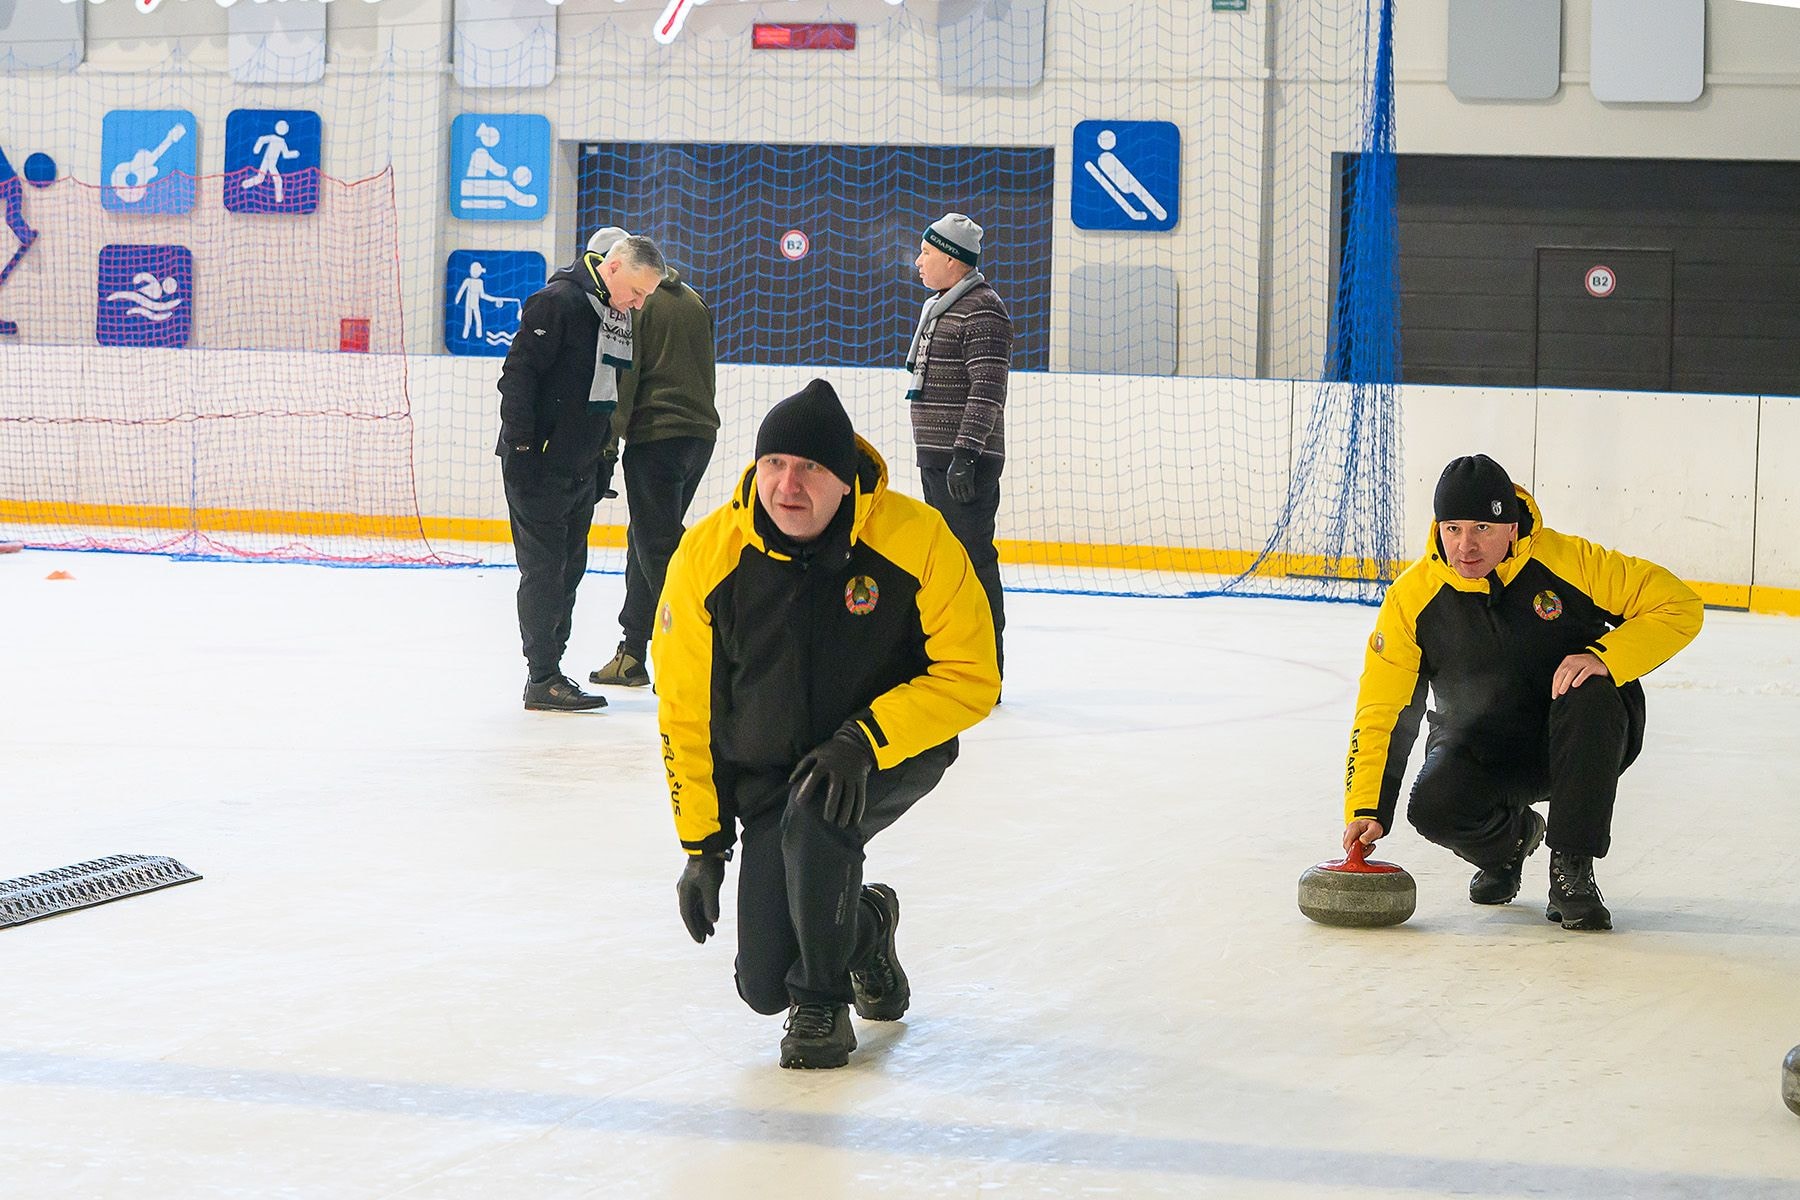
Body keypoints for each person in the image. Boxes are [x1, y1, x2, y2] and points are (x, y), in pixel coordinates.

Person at [654, 378, 1000, 1069]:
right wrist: (703, 844)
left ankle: (822, 1005)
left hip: (884, 751)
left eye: (811, 467)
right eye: (776, 463)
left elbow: (973, 676)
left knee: (820, 813)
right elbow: (684, 707)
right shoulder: (709, 555)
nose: (789, 484)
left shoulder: (915, 538)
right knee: (759, 985)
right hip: (768, 772)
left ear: (845, 482)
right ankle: (866, 926)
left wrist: (864, 739)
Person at [1341, 454, 1703, 931]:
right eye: (1452, 529)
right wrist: (1366, 806)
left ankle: (1571, 869)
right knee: (1433, 805)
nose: (1465, 546)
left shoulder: (1570, 561)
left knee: (1590, 688)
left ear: (1511, 527)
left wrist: (1605, 656)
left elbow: (1678, 604)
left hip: (1578, 738)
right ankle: (1511, 844)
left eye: (1482, 529)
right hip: (1485, 745)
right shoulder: (1412, 599)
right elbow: (1382, 706)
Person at [495, 228, 666, 711]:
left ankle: (553, 671)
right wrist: (525, 449)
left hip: (581, 465)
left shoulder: (612, 312)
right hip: (540, 464)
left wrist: (601, 461)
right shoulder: (558, 302)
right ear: (612, 267)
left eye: (645, 297)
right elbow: (518, 378)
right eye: (636, 292)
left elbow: (603, 392)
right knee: (545, 571)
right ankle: (541, 676)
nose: (637, 304)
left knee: (570, 569)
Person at [587, 264, 719, 690]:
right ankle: (632, 653)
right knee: (645, 539)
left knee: (657, 547)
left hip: (656, 434)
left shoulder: (636, 305)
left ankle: (692, 652)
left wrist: (608, 444)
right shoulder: (695, 300)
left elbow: (626, 375)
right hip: (698, 435)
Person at [906, 212, 1013, 676]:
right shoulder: (945, 306)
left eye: (927, 253)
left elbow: (987, 388)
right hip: (942, 459)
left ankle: (988, 666)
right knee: (950, 565)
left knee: (973, 562)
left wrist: (965, 456)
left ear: (952, 259)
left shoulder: (983, 308)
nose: (918, 262)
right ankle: (955, 657)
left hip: (963, 462)